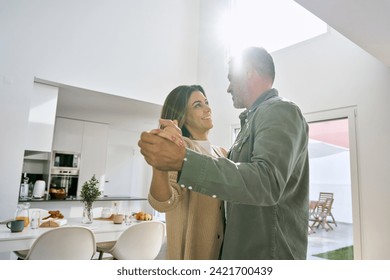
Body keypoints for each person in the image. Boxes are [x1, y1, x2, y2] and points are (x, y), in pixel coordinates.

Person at [138, 47, 309, 260]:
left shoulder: (279, 111)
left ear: (247, 71)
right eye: (198, 105)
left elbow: (266, 181)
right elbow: (165, 200)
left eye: (230, 78)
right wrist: (163, 162)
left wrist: (182, 161)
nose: (228, 88)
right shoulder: (246, 127)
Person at [147, 85, 227, 260]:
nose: (208, 108)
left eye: (206, 102)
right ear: (182, 117)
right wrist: (159, 167)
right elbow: (163, 203)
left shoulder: (222, 153)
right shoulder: (182, 149)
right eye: (198, 105)